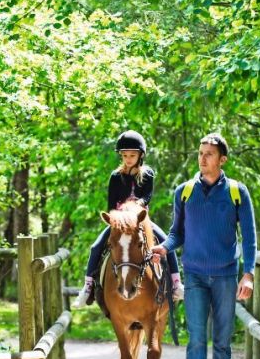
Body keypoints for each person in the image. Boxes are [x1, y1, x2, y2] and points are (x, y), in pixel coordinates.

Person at [152, 132, 256, 359]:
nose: (202, 158)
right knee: (197, 340)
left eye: (208, 154)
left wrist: (248, 274)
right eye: (200, 153)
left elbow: (249, 238)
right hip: (195, 275)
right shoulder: (184, 191)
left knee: (222, 342)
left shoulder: (237, 192)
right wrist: (164, 247)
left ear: (222, 159)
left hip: (225, 277)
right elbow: (177, 233)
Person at [74, 130, 184, 307]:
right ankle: (88, 286)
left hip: (140, 220)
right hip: (120, 221)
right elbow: (111, 204)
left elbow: (148, 196)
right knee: (96, 246)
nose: (128, 158)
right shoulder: (116, 177)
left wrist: (137, 205)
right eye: (125, 155)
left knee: (164, 241)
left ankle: (177, 284)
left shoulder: (147, 174)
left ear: (140, 155)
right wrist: (118, 218)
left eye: (132, 155)